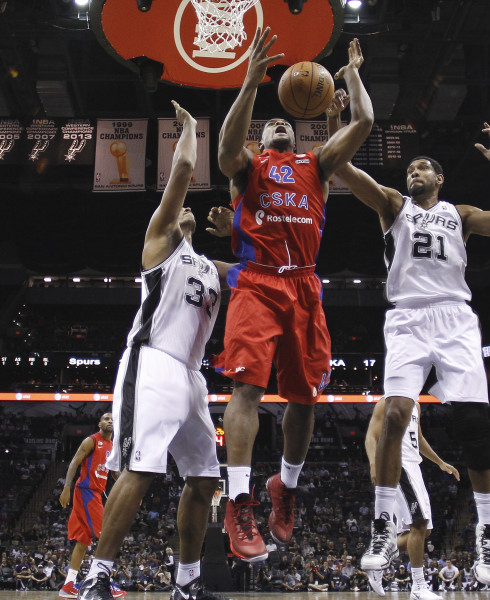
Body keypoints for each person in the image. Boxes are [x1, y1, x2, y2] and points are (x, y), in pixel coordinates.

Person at [325, 89, 490, 587]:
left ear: (440, 178)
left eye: (422, 169)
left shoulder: (461, 214)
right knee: (395, 412)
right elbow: (344, 171)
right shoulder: (393, 206)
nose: (412, 174)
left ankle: (489, 529)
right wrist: (337, 125)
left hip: (455, 316)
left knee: (472, 422)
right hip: (408, 318)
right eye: (409, 169)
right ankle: (379, 523)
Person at [210, 25, 374, 561]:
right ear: (263, 138)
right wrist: (251, 83)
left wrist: (350, 74)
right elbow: (225, 148)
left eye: (286, 122)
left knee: (303, 398)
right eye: (271, 122)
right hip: (257, 282)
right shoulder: (249, 166)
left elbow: (366, 122)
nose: (281, 124)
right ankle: (239, 502)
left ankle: (285, 485)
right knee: (248, 391)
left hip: (304, 282)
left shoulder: (317, 165)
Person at [76, 102, 233, 600]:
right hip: (153, 361)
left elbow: (263, 266)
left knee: (206, 478)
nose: (186, 208)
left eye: (189, 210)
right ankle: (96, 574)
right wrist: (189, 130)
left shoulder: (214, 268)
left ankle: (186, 583)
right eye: (181, 207)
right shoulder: (160, 243)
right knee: (141, 467)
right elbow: (184, 170)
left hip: (193, 375)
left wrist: (240, 230)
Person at [364, 398, 459, 600]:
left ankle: (379, 555)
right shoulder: (386, 402)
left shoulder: (416, 405)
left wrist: (440, 462)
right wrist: (373, 464)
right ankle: (418, 586)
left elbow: (419, 439)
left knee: (426, 530)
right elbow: (371, 436)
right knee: (419, 523)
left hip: (414, 467)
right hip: (398, 464)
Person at [58, 412, 123, 599]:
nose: (109, 421)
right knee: (106, 535)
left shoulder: (113, 446)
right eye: (106, 419)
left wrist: (129, 491)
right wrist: (66, 487)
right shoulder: (91, 441)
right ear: (99, 423)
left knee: (83, 541)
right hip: (86, 491)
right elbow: (74, 462)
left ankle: (69, 584)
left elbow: (115, 474)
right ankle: (102, 580)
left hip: (94, 493)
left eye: (112, 419)